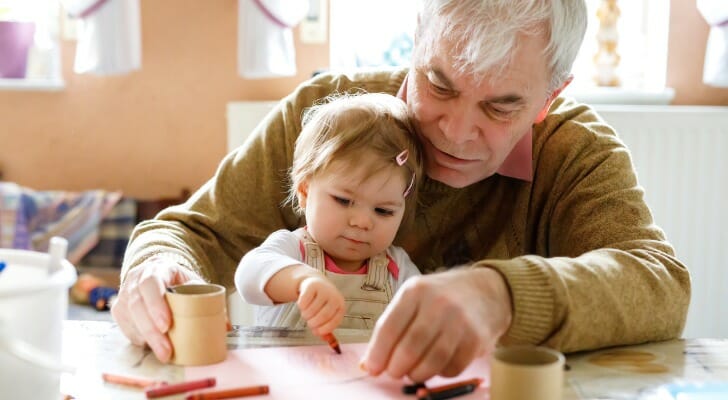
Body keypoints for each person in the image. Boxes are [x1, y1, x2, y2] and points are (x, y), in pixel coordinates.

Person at [112, 0, 690, 383]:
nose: (457, 132)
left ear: (549, 98)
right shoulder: (332, 118)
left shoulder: (575, 153)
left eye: (501, 105)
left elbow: (659, 285)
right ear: (417, 39)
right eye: (439, 83)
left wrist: (502, 295)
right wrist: (157, 268)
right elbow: (190, 231)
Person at [234, 93, 423, 336]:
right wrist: (301, 280)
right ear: (304, 191)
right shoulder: (293, 249)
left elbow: (426, 314)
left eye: (383, 210)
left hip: (365, 373)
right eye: (343, 201)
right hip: (290, 373)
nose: (362, 222)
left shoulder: (396, 268)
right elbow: (248, 277)